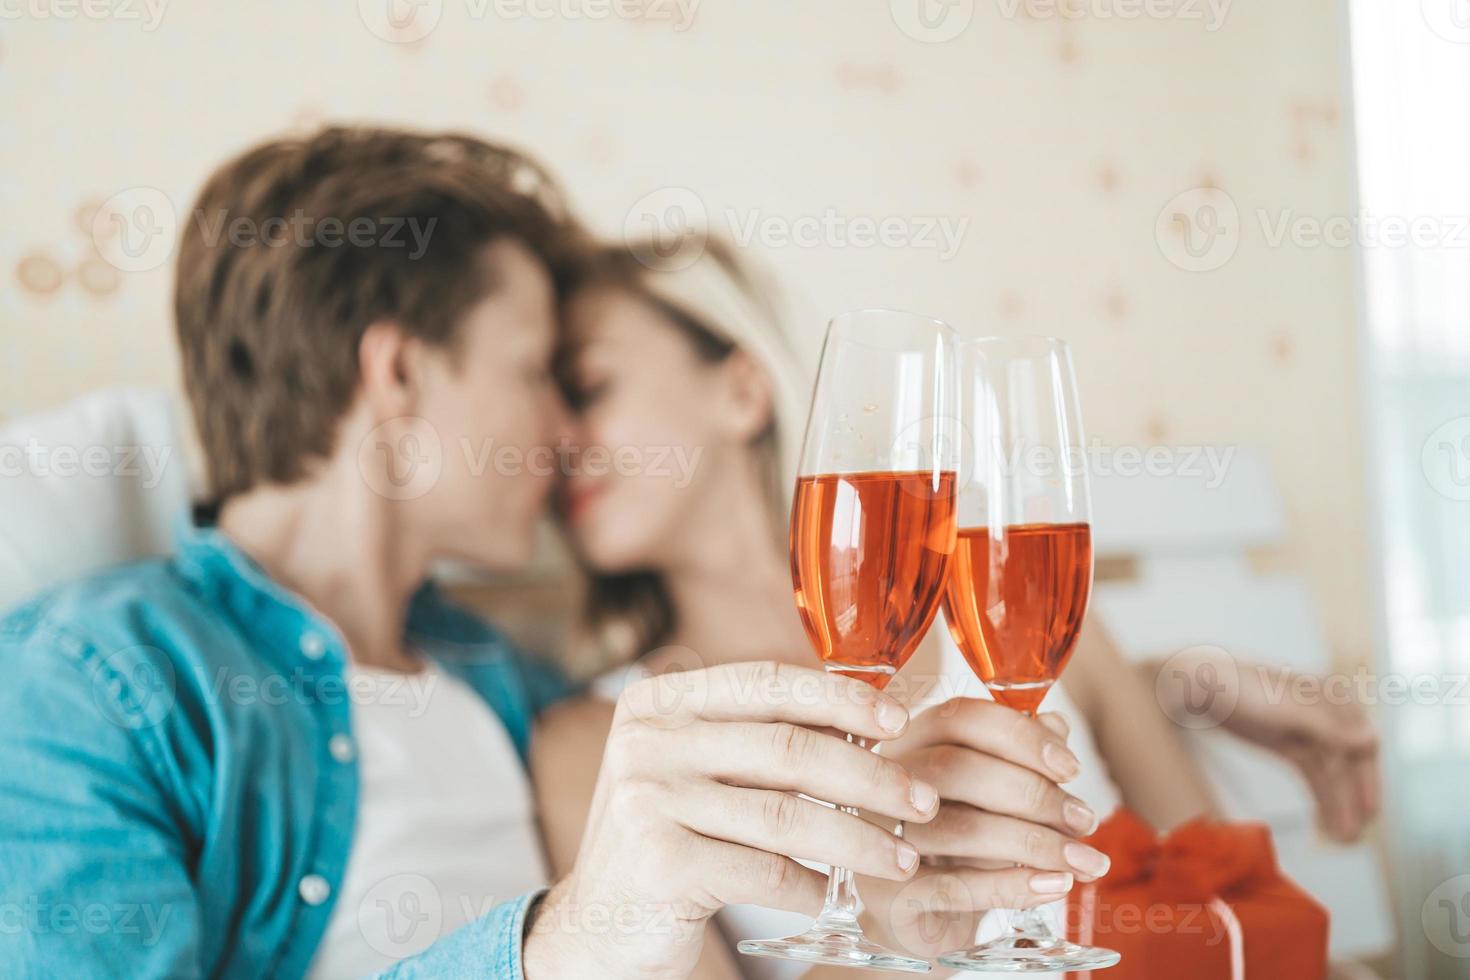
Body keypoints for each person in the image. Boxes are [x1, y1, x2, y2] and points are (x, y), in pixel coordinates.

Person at [0, 127, 1088, 980]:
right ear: (397, 373)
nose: (566, 436)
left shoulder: (516, 689)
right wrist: (555, 947)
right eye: (534, 372)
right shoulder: (92, 684)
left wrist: (903, 906)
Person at [534, 237, 1380, 977]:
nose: (553, 438)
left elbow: (1212, 902)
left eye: (586, 387)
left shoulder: (1033, 629)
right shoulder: (608, 748)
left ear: (742, 391)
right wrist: (905, 925)